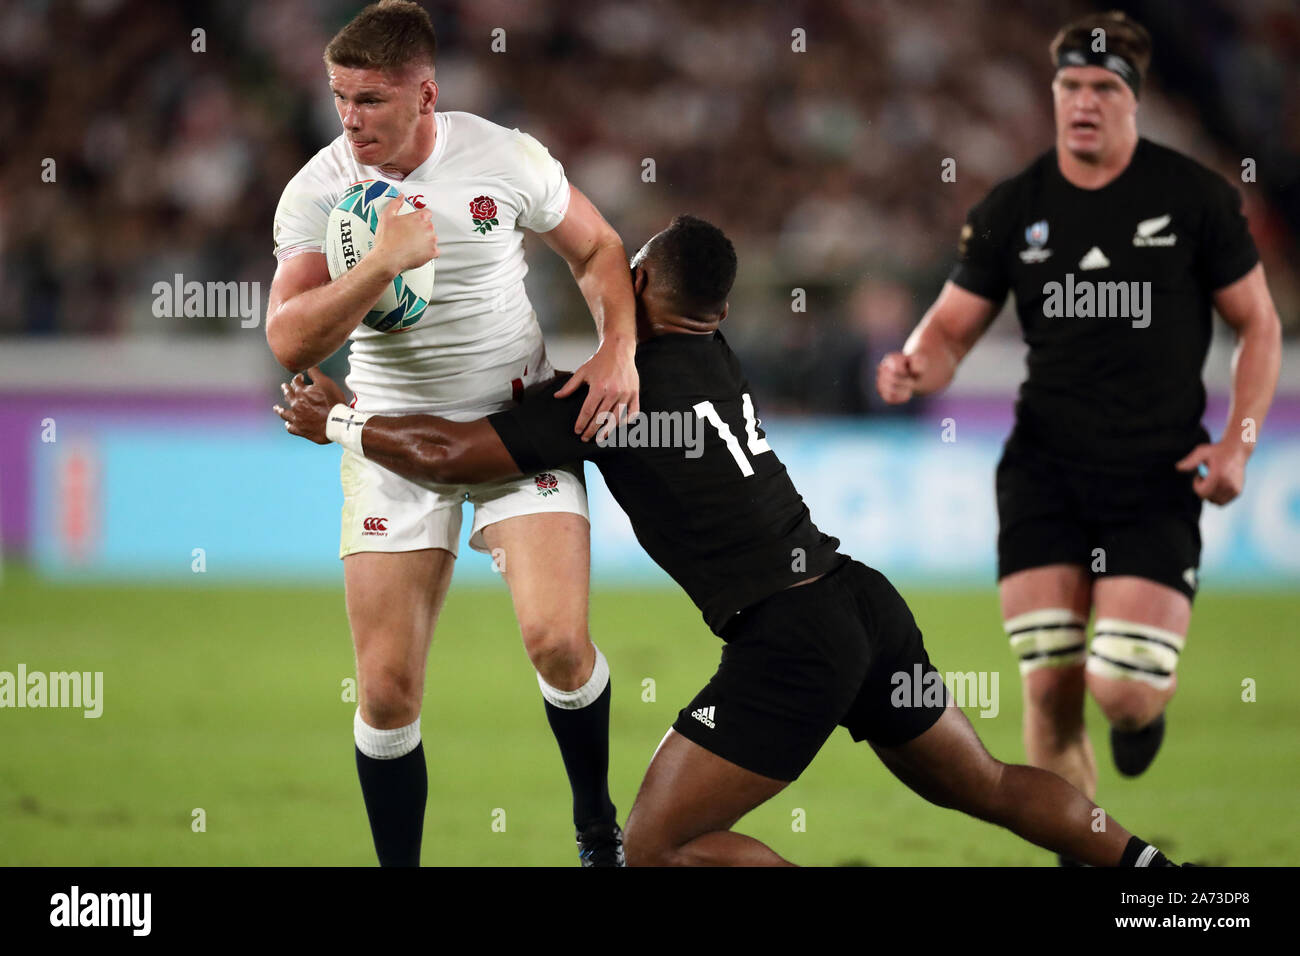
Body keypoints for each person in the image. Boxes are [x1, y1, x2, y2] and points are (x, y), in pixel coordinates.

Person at [276, 214, 1188, 867]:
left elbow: (446, 454)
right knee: (986, 783)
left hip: (791, 639)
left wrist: (344, 425)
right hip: (858, 599)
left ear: (637, 287)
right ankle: (1157, 881)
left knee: (656, 849)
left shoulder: (610, 397)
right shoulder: (716, 357)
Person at [875, 11, 1282, 863]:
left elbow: (1259, 327)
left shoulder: (1196, 201)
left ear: (1134, 100)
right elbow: (949, 331)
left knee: (1123, 693)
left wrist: (1239, 442)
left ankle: (1142, 718)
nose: (1083, 102)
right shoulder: (1014, 208)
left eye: (1103, 87)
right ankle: (1085, 859)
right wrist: (916, 363)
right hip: (1043, 476)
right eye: (1070, 87)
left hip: (1156, 473)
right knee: (1051, 689)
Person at [265, 0, 639, 866]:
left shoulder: (503, 158)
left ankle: (596, 829)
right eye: (339, 98)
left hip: (514, 433)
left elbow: (597, 249)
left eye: (370, 101)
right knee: (388, 693)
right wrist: (381, 264)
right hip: (391, 445)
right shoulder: (320, 190)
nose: (349, 120)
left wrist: (618, 346)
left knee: (557, 641)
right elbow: (289, 337)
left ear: (425, 94)